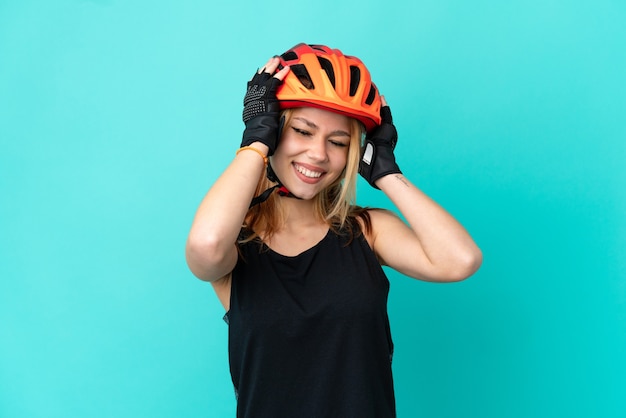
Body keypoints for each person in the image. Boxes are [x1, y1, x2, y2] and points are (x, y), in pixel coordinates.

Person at [185, 43, 482, 418]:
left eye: (338, 142)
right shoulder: (236, 242)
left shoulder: (367, 231)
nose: (319, 154)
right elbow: (206, 244)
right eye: (303, 132)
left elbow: (461, 260)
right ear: (274, 132)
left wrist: (387, 173)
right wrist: (255, 143)